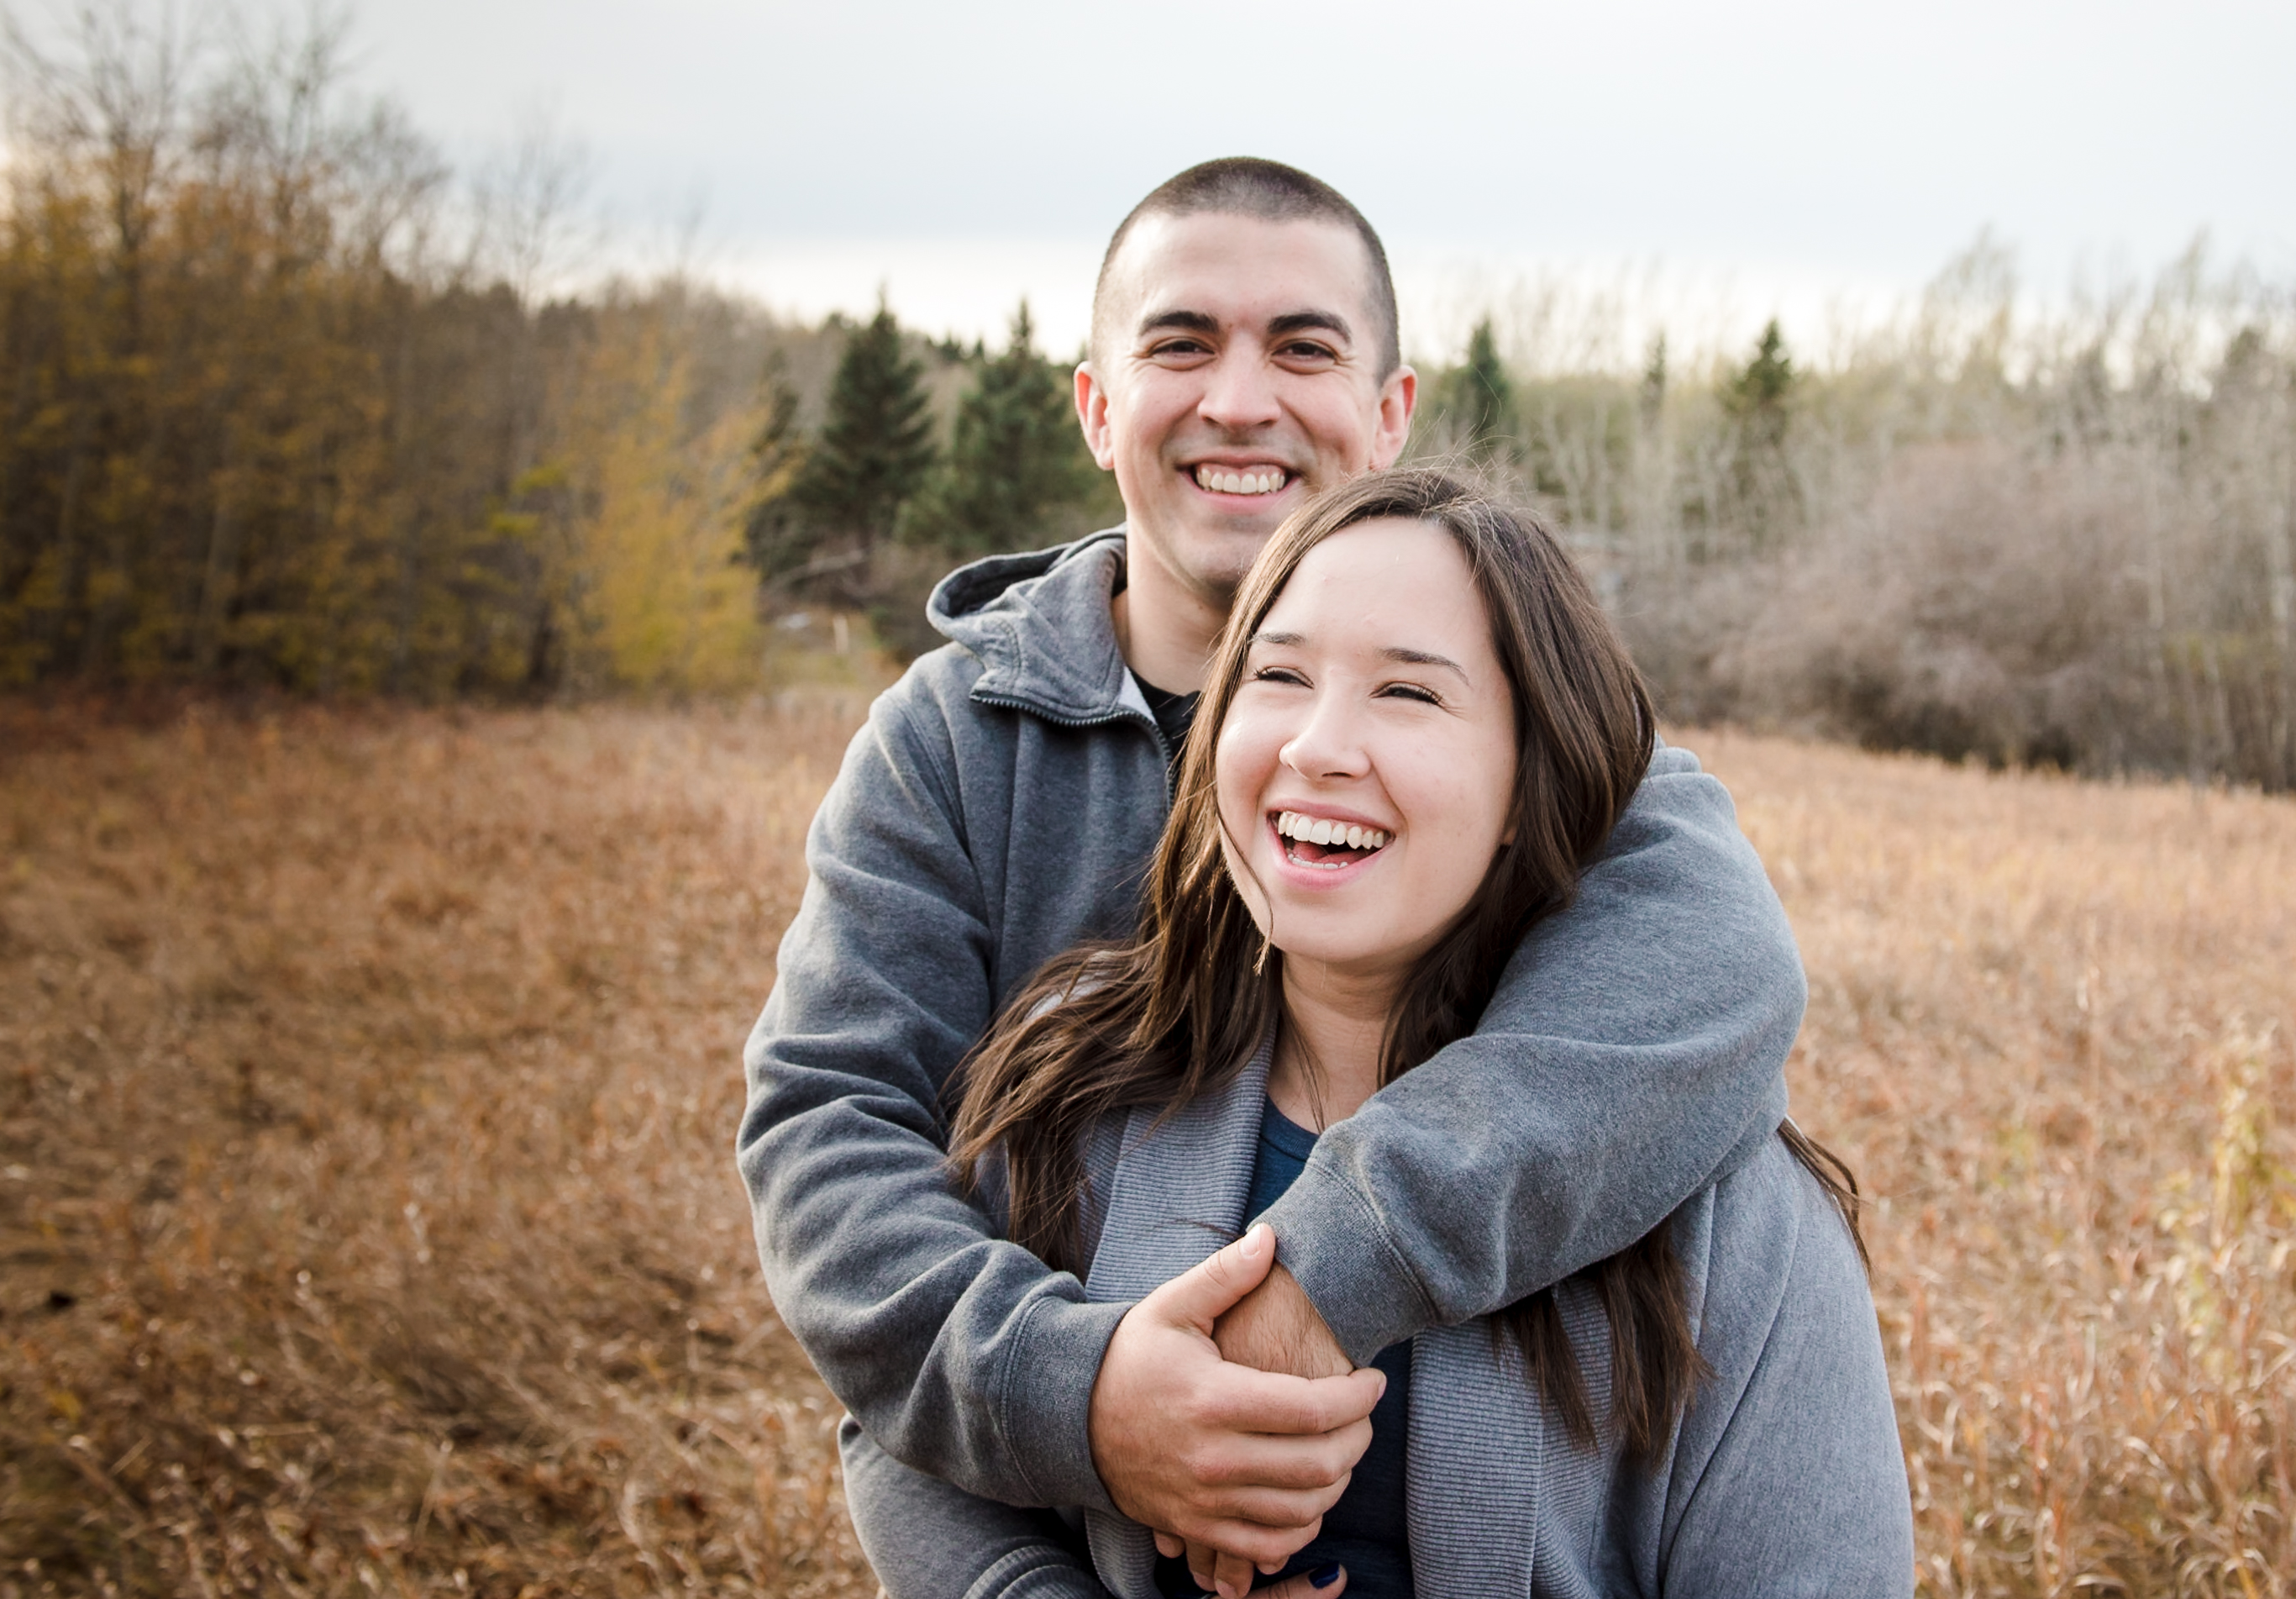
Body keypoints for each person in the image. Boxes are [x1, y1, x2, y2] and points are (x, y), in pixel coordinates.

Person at [737, 158, 1806, 1575]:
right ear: (1097, 405)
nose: (1238, 400)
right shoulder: (949, 746)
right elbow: (833, 1134)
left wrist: (1313, 1280)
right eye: (1180, 343)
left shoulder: (1533, 732)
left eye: (1302, 347)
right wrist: (1088, 1398)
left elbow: (1716, 976)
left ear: (1388, 414)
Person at [838, 470, 1915, 1598]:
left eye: (1407, 694)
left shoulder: (1723, 1211)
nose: (1317, 746)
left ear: (1523, 788)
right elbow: (910, 1431)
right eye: (1279, 676)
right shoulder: (1075, 1072)